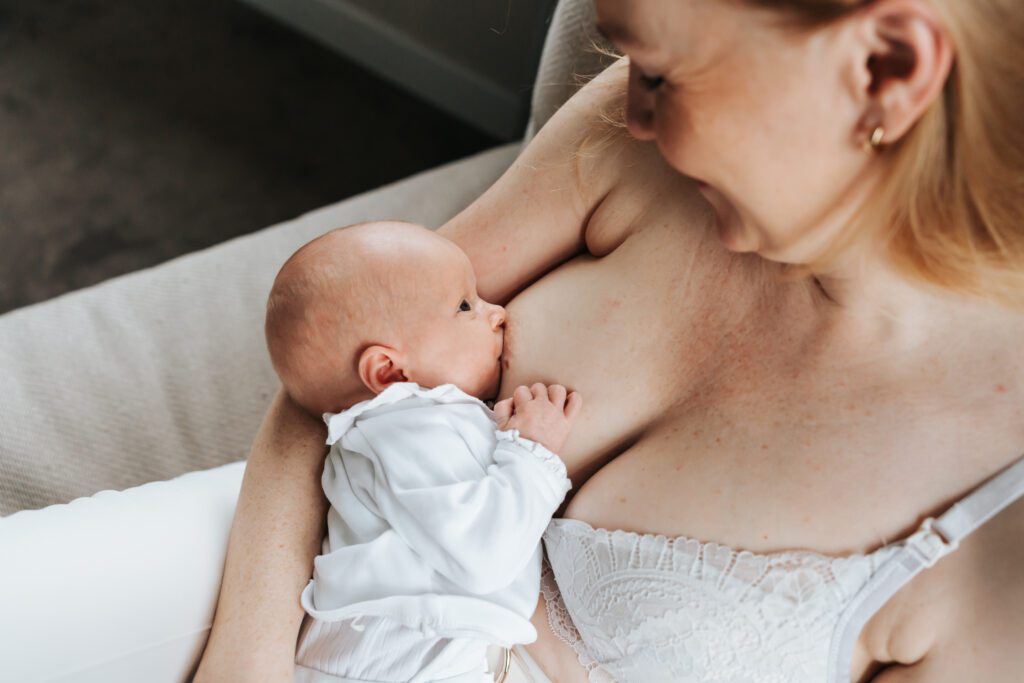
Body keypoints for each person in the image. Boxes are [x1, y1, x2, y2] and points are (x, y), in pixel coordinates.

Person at [196, 0, 1024, 680]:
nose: (631, 109)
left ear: (887, 68)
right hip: (315, 609)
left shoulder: (996, 521)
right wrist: (246, 665)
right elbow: (346, 360)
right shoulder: (635, 145)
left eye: (661, 74)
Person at [263, 221, 578, 681]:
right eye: (465, 305)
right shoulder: (406, 427)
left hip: (402, 646)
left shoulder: (409, 425)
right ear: (390, 372)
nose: (498, 313)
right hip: (402, 652)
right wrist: (532, 449)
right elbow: (481, 554)